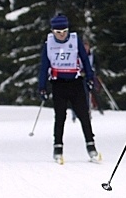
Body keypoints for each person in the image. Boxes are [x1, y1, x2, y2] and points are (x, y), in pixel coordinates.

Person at [37, 14, 101, 164]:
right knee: (60, 117)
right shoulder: (49, 44)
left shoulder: (74, 40)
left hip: (76, 83)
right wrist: (42, 87)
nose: (62, 35)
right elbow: (44, 67)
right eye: (58, 32)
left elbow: (85, 60)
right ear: (53, 31)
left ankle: (91, 147)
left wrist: (90, 77)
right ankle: (57, 148)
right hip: (58, 84)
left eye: (64, 31)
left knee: (84, 115)